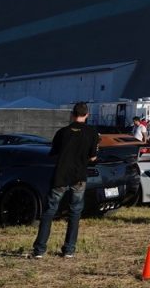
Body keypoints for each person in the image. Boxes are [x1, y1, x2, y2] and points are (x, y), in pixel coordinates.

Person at [31, 102, 99, 258]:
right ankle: (69, 249)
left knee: (49, 212)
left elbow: (53, 153)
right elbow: (93, 157)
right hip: (79, 176)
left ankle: (40, 249)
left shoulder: (62, 132)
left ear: (72, 114)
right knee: (75, 212)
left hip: (61, 175)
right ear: (87, 115)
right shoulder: (92, 133)